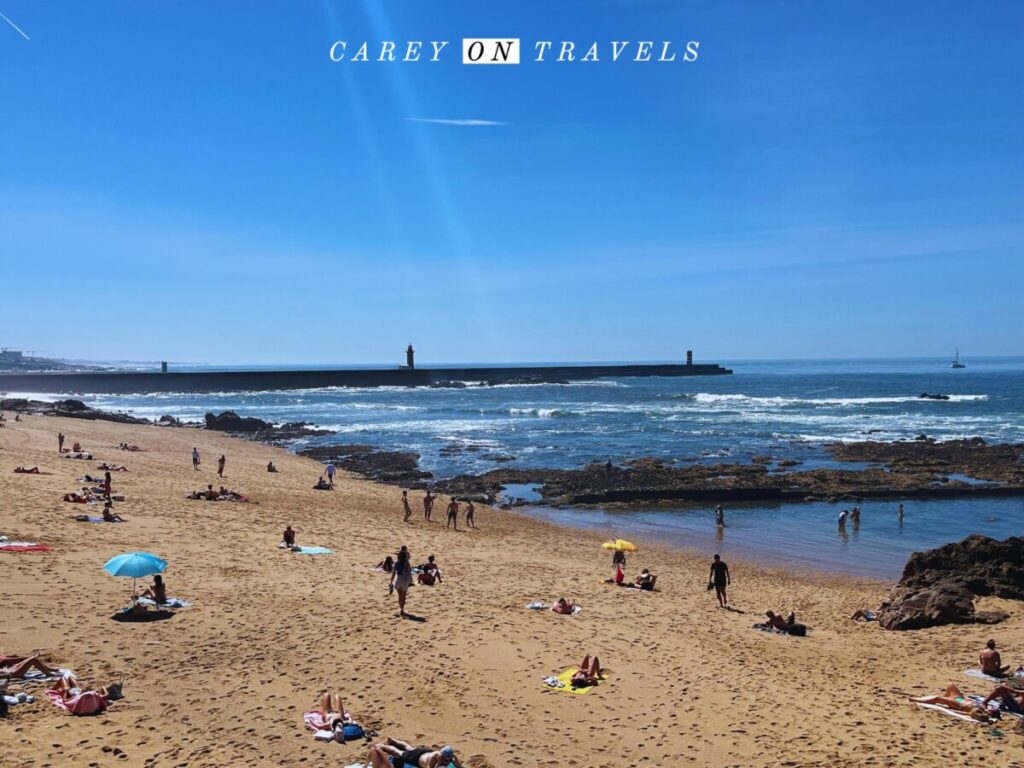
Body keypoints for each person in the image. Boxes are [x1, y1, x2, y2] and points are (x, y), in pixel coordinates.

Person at [910, 684, 991, 721]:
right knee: (951, 686)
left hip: (958, 704)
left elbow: (962, 713)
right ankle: (945, 699)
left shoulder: (976, 712)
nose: (988, 711)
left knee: (937, 698)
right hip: (960, 699)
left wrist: (948, 710)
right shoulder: (984, 707)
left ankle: (917, 700)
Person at [368, 738, 462, 768]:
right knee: (398, 752)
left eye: (449, 759)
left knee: (409, 748)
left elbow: (460, 767)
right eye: (445, 759)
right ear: (441, 755)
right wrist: (438, 765)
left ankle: (394, 740)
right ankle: (382, 746)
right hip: (416, 759)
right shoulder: (434, 758)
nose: (447, 761)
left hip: (425, 752)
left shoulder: (451, 756)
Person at [391, 548, 413, 618]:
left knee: (399, 595)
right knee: (403, 596)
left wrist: (391, 581)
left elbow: (394, 573)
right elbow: (409, 572)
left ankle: (400, 608)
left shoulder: (397, 563)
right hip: (405, 580)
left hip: (398, 579)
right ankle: (402, 609)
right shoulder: (407, 563)